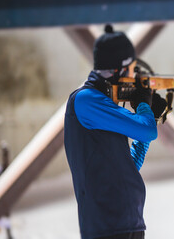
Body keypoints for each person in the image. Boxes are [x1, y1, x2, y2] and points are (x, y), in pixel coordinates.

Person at [64, 25, 166, 239]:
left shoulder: (106, 105)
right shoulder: (86, 101)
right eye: (132, 69)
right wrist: (143, 106)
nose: (133, 75)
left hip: (130, 222)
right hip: (107, 226)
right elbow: (147, 130)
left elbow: (129, 166)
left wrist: (149, 114)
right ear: (120, 69)